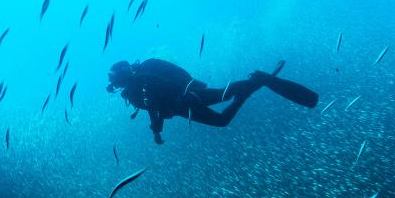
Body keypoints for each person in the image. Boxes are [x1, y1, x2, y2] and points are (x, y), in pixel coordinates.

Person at [106, 58, 318, 144]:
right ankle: (255, 83)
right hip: (183, 104)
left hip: (185, 101)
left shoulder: (137, 83)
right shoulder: (135, 84)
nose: (112, 83)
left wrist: (156, 130)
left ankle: (256, 83)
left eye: (113, 78)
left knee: (221, 107)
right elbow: (153, 102)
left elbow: (151, 103)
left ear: (122, 75)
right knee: (221, 98)